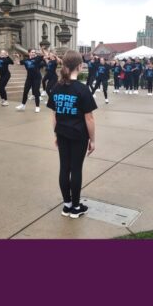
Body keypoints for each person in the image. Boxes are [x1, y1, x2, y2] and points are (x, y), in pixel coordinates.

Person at [48, 50, 97, 219]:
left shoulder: (57, 87)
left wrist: (56, 134)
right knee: (76, 169)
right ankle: (75, 207)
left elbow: (54, 115)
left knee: (64, 168)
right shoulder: (82, 89)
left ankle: (67, 205)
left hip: (62, 133)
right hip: (78, 135)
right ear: (80, 66)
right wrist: (92, 140)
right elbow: (89, 118)